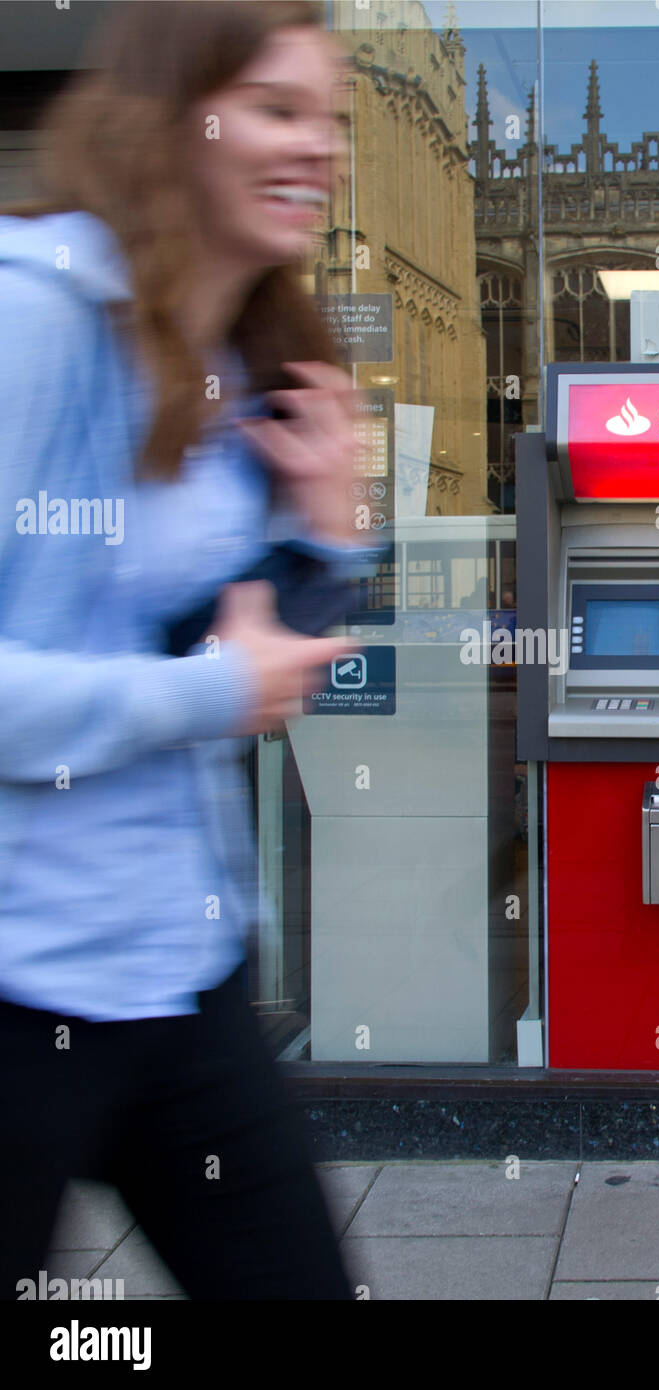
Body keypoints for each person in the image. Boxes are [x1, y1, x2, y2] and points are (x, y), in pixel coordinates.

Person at [0, 1, 367, 1300]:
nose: (316, 148)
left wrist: (327, 547)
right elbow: (196, 681)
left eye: (329, 119)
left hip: (170, 964)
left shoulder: (236, 363)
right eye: (277, 109)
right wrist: (211, 685)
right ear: (175, 117)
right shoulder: (35, 316)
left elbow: (224, 656)